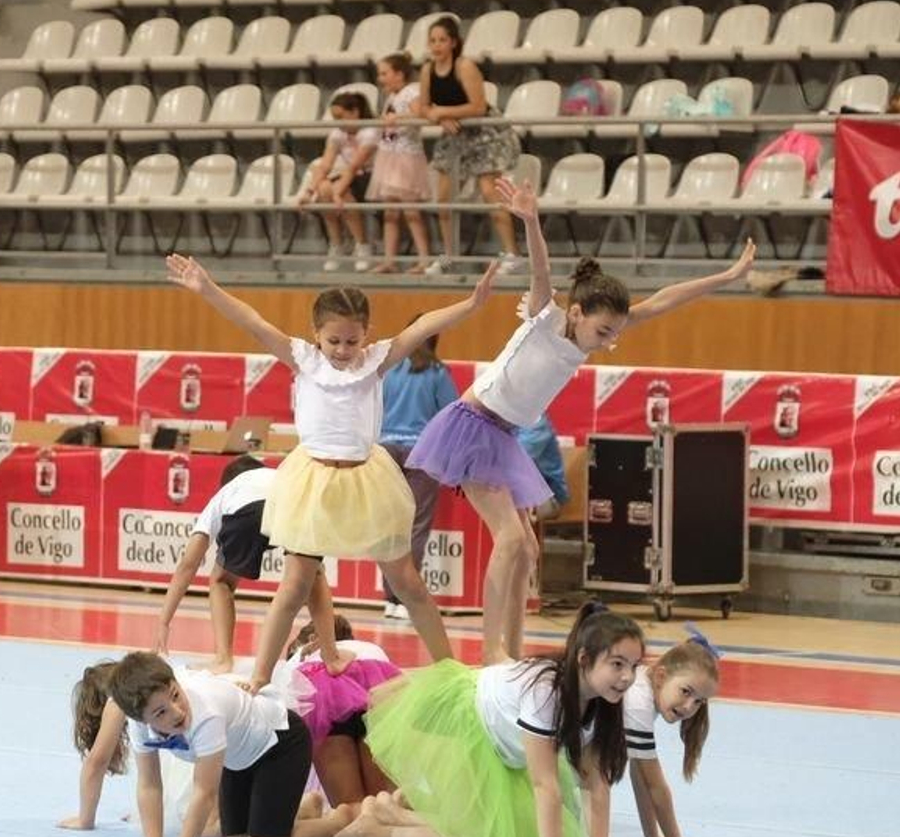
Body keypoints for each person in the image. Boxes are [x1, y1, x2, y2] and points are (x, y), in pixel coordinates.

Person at [409, 180, 754, 665]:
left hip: (503, 436)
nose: (609, 341)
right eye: (602, 331)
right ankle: (491, 655)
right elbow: (542, 269)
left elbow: (662, 301)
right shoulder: (546, 317)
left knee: (526, 548)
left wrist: (725, 277)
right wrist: (529, 219)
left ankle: (511, 650)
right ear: (575, 312)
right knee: (510, 540)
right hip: (472, 426)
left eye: (615, 332)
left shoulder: (598, 328)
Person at [166, 254, 500, 693]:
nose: (343, 351)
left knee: (407, 582)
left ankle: (449, 668)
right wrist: (208, 290)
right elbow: (252, 321)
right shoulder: (303, 358)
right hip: (314, 482)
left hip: (366, 481)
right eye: (334, 341)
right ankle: (260, 676)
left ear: (368, 335)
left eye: (351, 341)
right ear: (315, 336)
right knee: (295, 584)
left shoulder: (376, 359)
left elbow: (421, 328)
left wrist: (472, 304)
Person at [328, 602, 647, 837]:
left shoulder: (603, 703)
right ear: (583, 658)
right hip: (467, 724)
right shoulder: (547, 690)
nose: (627, 677)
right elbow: (544, 783)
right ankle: (370, 836)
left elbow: (598, 785)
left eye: (634, 666)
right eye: (617, 664)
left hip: (504, 750)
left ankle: (391, 813)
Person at [108, 652, 355, 837]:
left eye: (175, 695)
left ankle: (341, 818)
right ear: (142, 720)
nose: (177, 711)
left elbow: (204, 792)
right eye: (161, 712)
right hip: (239, 758)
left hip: (280, 743)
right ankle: (304, 808)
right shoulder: (139, 725)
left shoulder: (206, 713)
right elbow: (149, 784)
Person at [153, 455, 335, 675]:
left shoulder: (228, 491)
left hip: (247, 512)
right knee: (313, 576)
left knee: (221, 582)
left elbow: (187, 565)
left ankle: (223, 659)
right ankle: (330, 654)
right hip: (299, 504)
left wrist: (164, 622)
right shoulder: (275, 475)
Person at [60, 660, 221, 837]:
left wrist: (85, 819)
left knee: (203, 826)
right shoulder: (159, 677)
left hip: (216, 741)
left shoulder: (121, 701)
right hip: (225, 717)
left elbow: (97, 762)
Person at [417, 15, 524, 275]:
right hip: (454, 134)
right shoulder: (427, 70)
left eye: (442, 40)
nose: (437, 45)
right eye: (432, 40)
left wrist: (441, 111)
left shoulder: (465, 67)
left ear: (454, 43)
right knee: (442, 197)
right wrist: (437, 117)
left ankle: (512, 254)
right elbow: (423, 106)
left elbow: (477, 106)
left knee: (490, 190)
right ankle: (448, 255)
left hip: (483, 132)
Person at [624, 629, 731, 837]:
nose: (688, 707)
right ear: (661, 677)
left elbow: (639, 774)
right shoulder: (637, 702)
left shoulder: (645, 687)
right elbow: (656, 786)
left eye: (698, 702)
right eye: (685, 692)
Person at [378, 326, 458, 620]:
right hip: (422, 452)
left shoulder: (390, 370)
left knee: (389, 526)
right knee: (417, 527)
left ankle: (389, 597)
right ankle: (404, 598)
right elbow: (452, 413)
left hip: (385, 448)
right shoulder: (437, 373)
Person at [278, 618, 399, 807]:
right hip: (379, 693)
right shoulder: (370, 649)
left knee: (350, 810)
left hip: (326, 695)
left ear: (312, 638)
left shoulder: (302, 655)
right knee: (383, 807)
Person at [298, 91, 379, 273]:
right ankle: (336, 244)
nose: (337, 122)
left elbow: (354, 166)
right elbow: (326, 164)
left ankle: (362, 245)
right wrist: (308, 192)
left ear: (355, 112)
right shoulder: (337, 133)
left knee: (339, 192)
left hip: (370, 178)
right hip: (347, 177)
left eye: (341, 117)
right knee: (324, 187)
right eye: (335, 118)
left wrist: (337, 193)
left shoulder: (370, 131)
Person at [370, 53, 434, 274]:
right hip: (389, 154)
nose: (381, 78)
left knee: (410, 210)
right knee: (390, 210)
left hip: (406, 156)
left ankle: (424, 259)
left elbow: (420, 116)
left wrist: (397, 120)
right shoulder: (391, 96)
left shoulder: (411, 92)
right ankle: (389, 259)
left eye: (384, 73)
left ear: (399, 74)